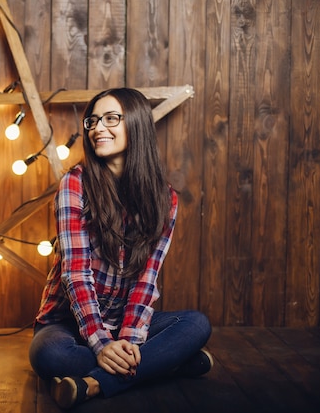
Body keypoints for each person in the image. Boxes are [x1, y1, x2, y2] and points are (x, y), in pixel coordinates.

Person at [28, 87, 213, 410]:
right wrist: (101, 344)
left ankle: (96, 384)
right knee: (49, 356)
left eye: (111, 118)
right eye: (93, 121)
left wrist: (128, 340)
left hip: (125, 322)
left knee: (197, 324)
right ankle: (167, 364)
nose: (98, 128)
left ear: (137, 124)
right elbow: (76, 274)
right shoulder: (75, 184)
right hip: (67, 323)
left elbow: (147, 280)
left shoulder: (165, 199)